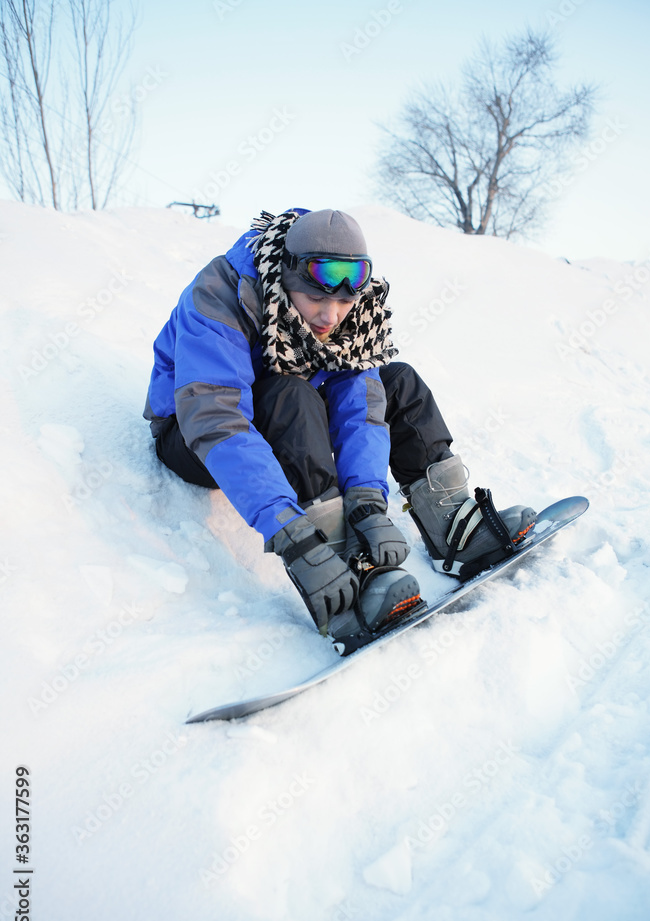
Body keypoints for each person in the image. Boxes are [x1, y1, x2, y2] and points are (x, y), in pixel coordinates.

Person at [144, 207, 536, 643]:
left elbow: (360, 407)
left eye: (344, 302)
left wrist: (367, 501)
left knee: (397, 382)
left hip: (280, 412)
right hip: (193, 436)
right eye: (317, 299)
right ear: (288, 278)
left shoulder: (356, 316)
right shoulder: (220, 294)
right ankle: (342, 569)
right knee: (291, 394)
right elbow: (215, 417)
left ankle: (457, 531)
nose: (331, 316)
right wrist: (293, 536)